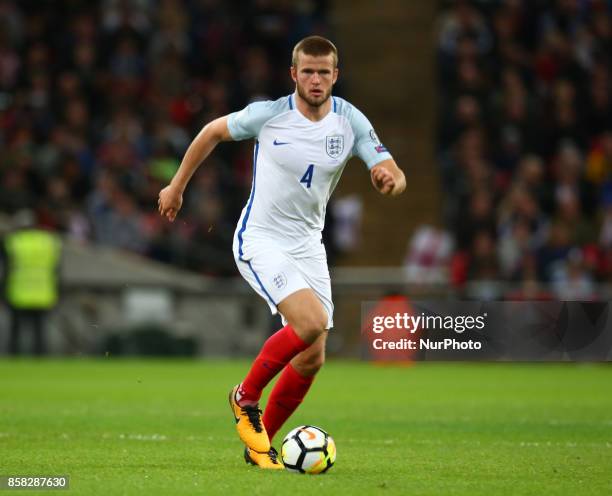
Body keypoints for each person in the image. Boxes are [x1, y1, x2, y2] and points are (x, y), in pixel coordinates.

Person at [158, 36, 405, 469]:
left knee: (313, 355)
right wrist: (176, 186)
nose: (315, 79)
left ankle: (259, 448)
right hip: (261, 238)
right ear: (294, 74)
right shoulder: (270, 115)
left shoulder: (349, 120)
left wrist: (389, 178)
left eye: (323, 72)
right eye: (307, 71)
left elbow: (391, 169)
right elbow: (210, 131)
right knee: (309, 323)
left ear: (335, 75)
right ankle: (245, 396)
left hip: (308, 244)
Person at [2, 210, 62, 355]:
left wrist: (2, 291)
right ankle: (41, 361)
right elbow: (57, 270)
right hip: (43, 292)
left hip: (18, 291)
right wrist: (59, 291)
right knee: (40, 332)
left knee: (15, 332)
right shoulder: (49, 241)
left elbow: (6, 269)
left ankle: (14, 358)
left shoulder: (14, 241)